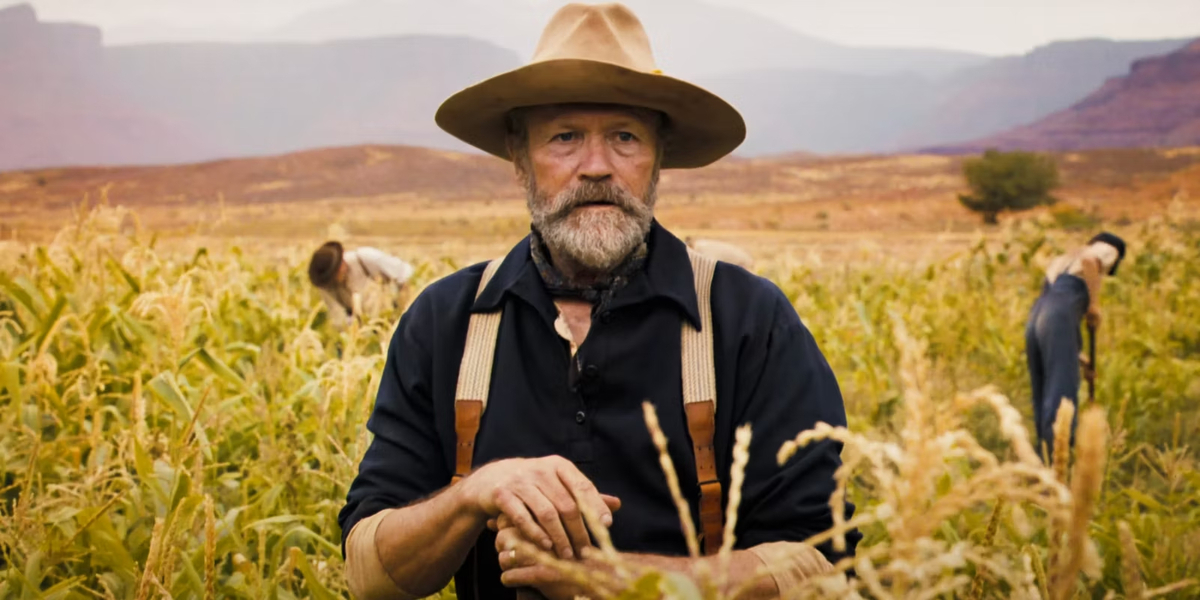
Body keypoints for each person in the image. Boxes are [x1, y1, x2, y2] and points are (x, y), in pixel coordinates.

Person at [337, 4, 859, 599]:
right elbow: (368, 574)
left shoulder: (749, 320)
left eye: (624, 137)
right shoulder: (444, 321)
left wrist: (622, 581)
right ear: (519, 157)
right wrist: (474, 492)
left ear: (658, 157)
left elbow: (822, 568)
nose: (596, 168)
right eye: (565, 137)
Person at [1026, 231, 1126, 460]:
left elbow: (1051, 320)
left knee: (1044, 389)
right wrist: (1094, 305)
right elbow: (1090, 261)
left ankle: (1042, 458)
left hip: (1037, 317)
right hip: (1058, 316)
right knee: (1062, 392)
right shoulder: (1107, 248)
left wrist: (1080, 359)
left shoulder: (1062, 259)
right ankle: (1059, 460)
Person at [307, 241, 415, 328]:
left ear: (341, 262)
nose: (335, 280)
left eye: (336, 273)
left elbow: (404, 274)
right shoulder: (327, 286)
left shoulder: (365, 258)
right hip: (366, 330)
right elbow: (338, 319)